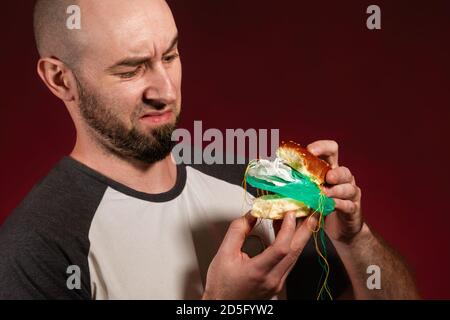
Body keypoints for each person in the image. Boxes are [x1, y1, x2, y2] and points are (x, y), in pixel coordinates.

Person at [0, 0, 419, 300]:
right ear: (60, 80)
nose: (165, 91)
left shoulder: (254, 186)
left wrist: (354, 239)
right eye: (130, 70)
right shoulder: (36, 247)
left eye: (171, 55)